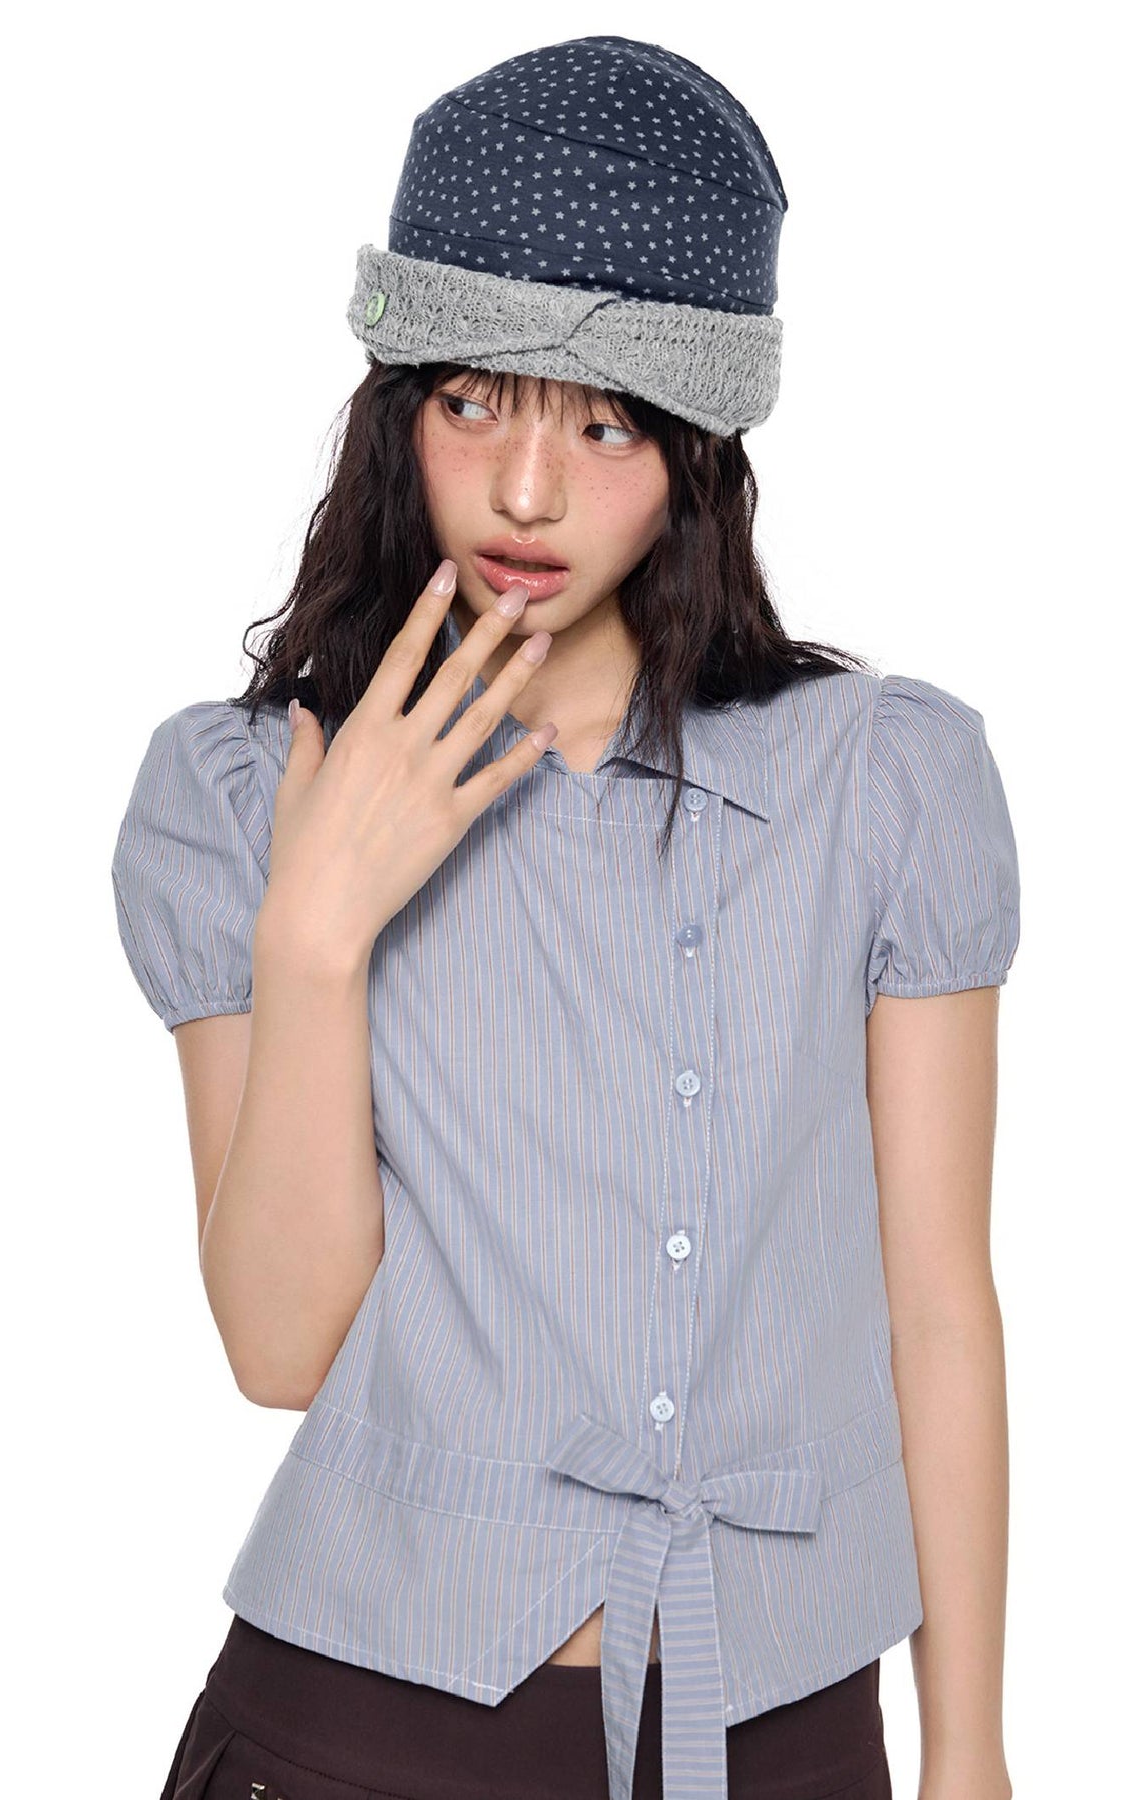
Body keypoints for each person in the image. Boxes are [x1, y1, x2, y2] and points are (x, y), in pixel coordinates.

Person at [111, 35, 1021, 1800]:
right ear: (398, 411)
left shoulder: (881, 783)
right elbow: (280, 1351)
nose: (526, 491)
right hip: (364, 1731)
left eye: (603, 426)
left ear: (698, 450)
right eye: (473, 403)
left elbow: (938, 1306)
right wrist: (317, 936)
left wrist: (968, 1750)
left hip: (781, 1732)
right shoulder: (239, 796)